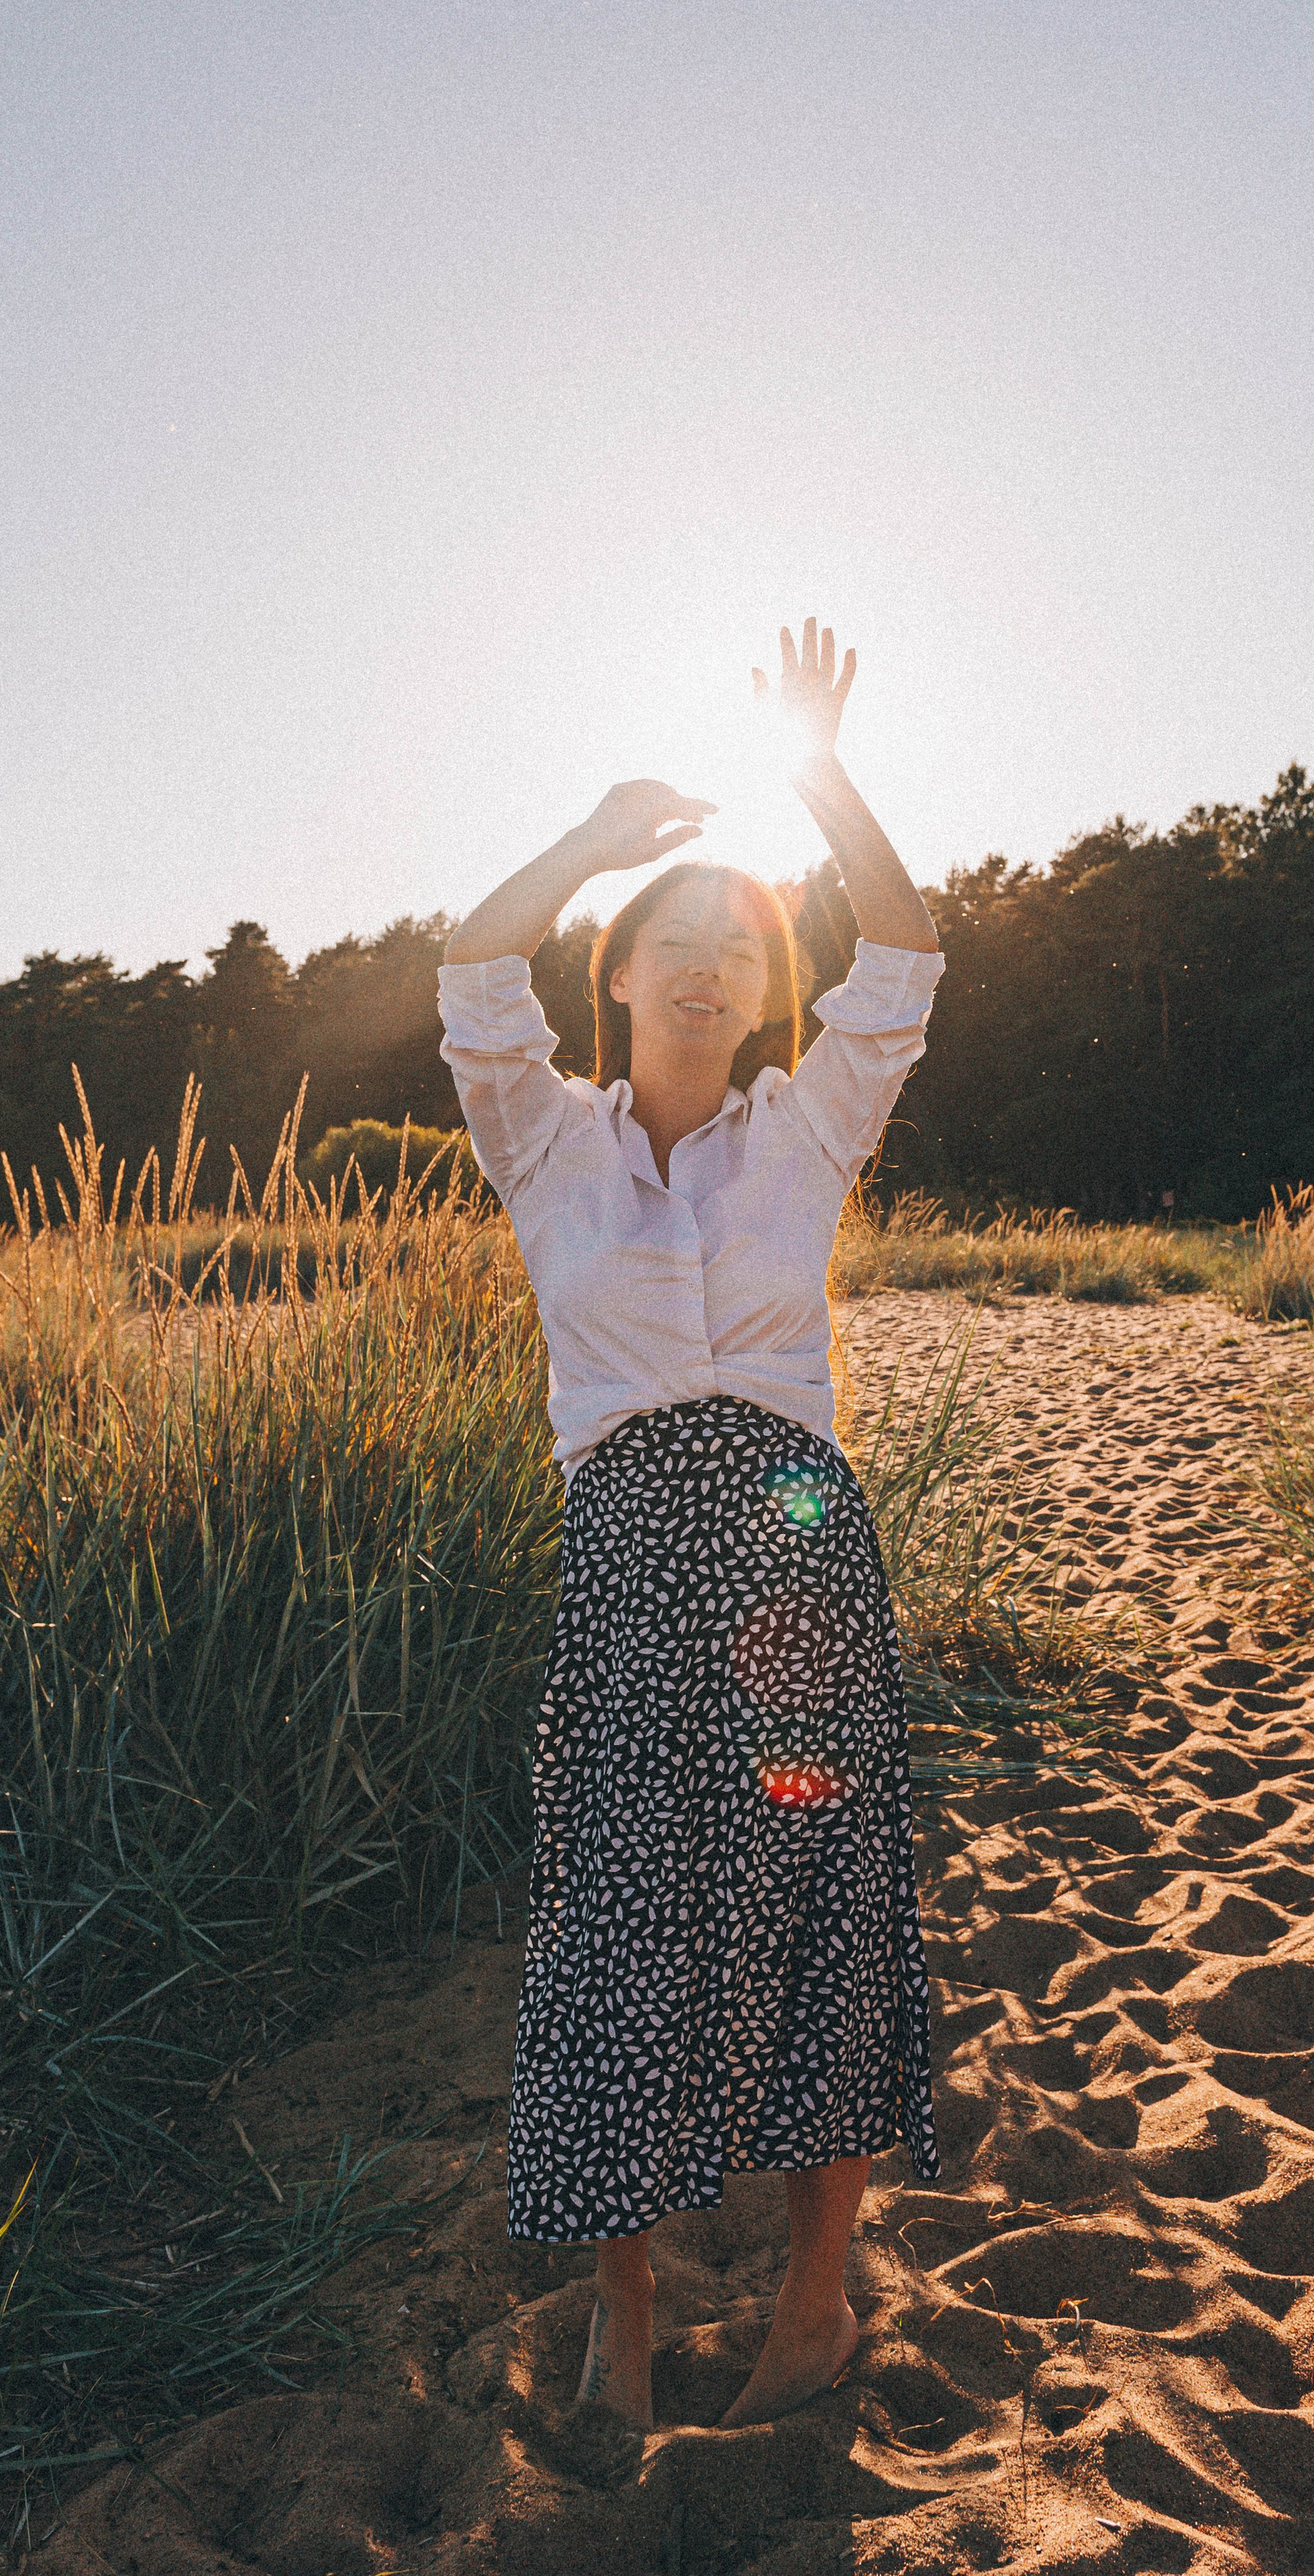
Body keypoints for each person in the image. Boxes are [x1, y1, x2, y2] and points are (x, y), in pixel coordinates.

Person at [438, 619, 943, 2434]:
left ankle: (816, 2293)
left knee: (820, 1904)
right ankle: (622, 2312)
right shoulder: (543, 1140)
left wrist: (813, 770)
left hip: (795, 1542)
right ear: (622, 973)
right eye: (680, 945)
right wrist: (594, 835)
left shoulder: (801, 1137)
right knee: (617, 1928)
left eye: (741, 951)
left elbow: (905, 951)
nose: (715, 970)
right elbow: (466, 962)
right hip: (632, 1568)